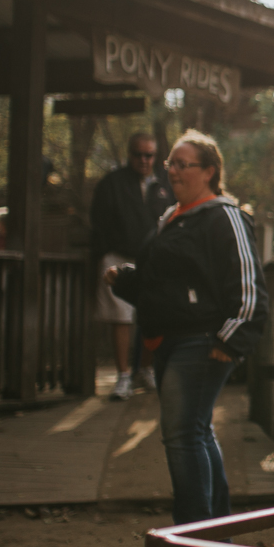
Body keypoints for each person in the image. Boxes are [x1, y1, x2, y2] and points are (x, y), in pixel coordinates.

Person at [108, 131, 265, 525]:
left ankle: (194, 535)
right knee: (195, 431)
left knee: (182, 434)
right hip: (170, 339)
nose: (172, 172)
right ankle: (214, 533)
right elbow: (166, 282)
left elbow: (249, 286)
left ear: (209, 171)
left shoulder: (224, 216)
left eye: (183, 164)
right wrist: (125, 279)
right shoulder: (171, 218)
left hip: (203, 339)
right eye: (170, 164)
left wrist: (231, 339)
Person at [89, 132, 173, 401]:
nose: (144, 160)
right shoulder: (112, 183)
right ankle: (123, 375)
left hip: (153, 261)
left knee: (154, 314)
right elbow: (98, 222)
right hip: (117, 256)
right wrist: (107, 252)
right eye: (139, 154)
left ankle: (145, 368)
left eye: (149, 155)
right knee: (121, 317)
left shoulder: (165, 184)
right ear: (130, 154)